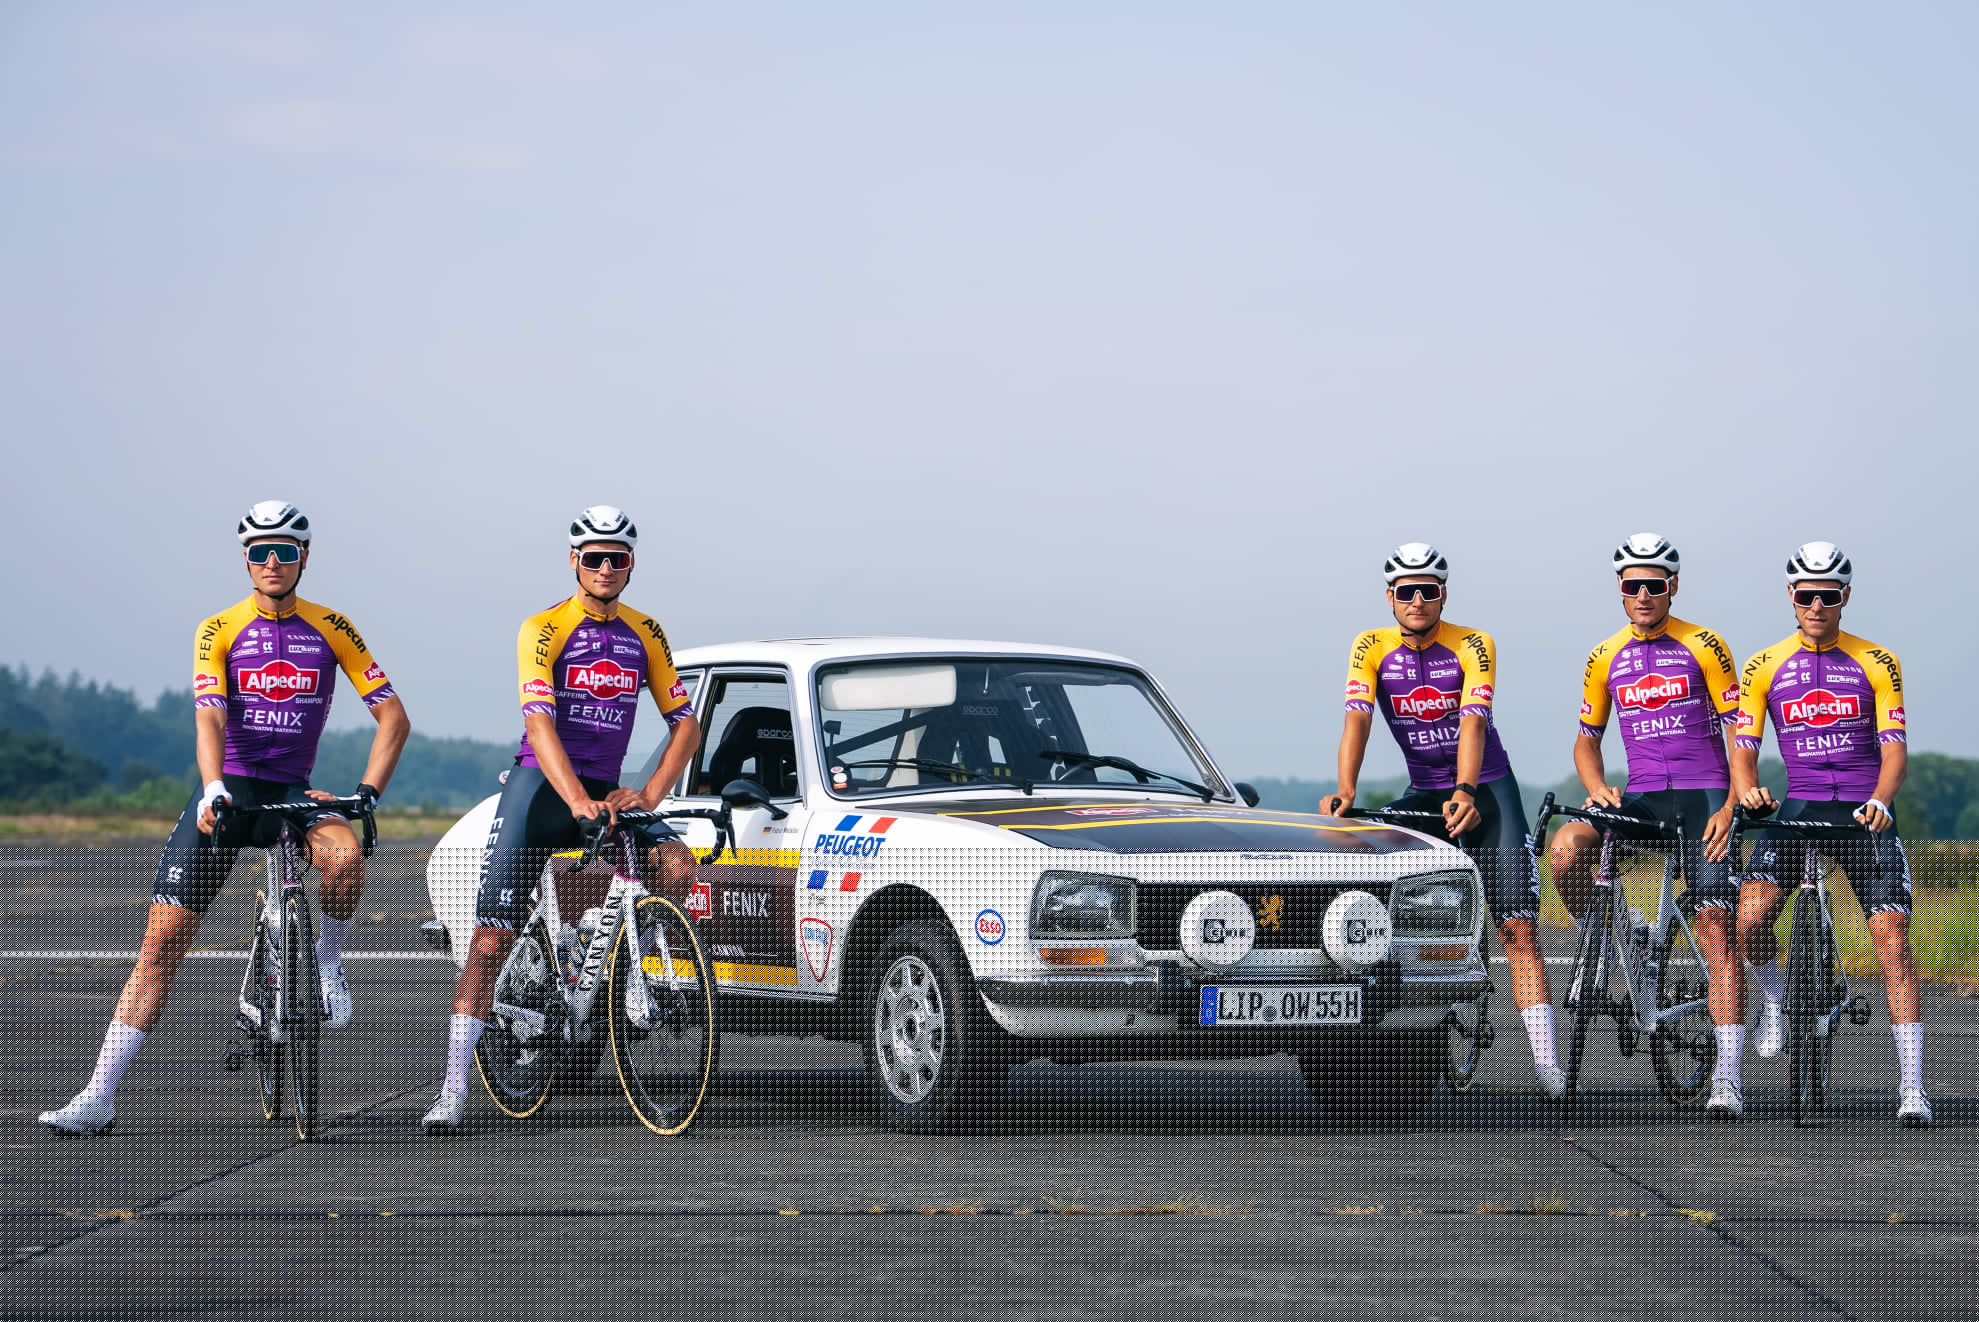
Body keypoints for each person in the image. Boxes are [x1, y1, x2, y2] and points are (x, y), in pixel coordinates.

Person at [40, 502, 410, 1136]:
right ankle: (98, 1095)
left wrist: (366, 793)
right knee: (158, 950)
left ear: (304, 557)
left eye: (285, 551)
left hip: (294, 792)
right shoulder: (218, 628)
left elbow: (393, 717)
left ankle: (325, 964)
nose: (272, 561)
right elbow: (209, 715)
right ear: (245, 559)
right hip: (229, 793)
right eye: (260, 551)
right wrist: (212, 788)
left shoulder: (334, 627)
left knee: (347, 856)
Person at [422, 506, 704, 1133]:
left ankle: (632, 971)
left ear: (631, 564)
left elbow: (686, 723)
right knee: (489, 940)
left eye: (618, 558)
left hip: (603, 789)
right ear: (574, 561)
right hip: (541, 788)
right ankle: (452, 1090)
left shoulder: (645, 632)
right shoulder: (544, 628)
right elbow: (539, 722)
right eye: (593, 557)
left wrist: (652, 793)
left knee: (677, 866)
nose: (605, 568)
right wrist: (575, 799)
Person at [1325, 543, 1562, 1098]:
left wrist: (1465, 789)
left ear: (1442, 596)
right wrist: (1344, 790)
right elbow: (1356, 722)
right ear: (1389, 597)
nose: (1416, 600)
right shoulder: (1370, 647)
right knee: (1365, 868)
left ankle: (1548, 1065)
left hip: (1486, 787)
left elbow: (1474, 723)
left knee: (1517, 926)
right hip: (1423, 790)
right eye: (1405, 591)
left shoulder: (1473, 644)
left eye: (1426, 591)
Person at [1547, 534, 1747, 1118]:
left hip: (1703, 795)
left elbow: (1742, 733)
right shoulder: (1604, 655)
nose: (1641, 594)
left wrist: (1732, 804)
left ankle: (1728, 1077)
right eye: (1631, 584)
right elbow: (1587, 740)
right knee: (1566, 851)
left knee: (1714, 927)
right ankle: (1622, 931)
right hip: (1640, 797)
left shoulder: (1704, 645)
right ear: (1619, 588)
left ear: (1672, 587)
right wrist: (1595, 788)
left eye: (1653, 585)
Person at [1731, 542, 1928, 1127]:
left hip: (1863, 810)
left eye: (1829, 595)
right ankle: (1773, 1001)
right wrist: (1748, 790)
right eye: (1806, 595)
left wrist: (1881, 800)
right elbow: (1744, 749)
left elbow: (1895, 750)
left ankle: (1913, 1087)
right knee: (1750, 918)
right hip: (1799, 807)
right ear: (1791, 597)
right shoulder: (1764, 664)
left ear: (1845, 598)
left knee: (1891, 940)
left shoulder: (1877, 660)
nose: (1816, 604)